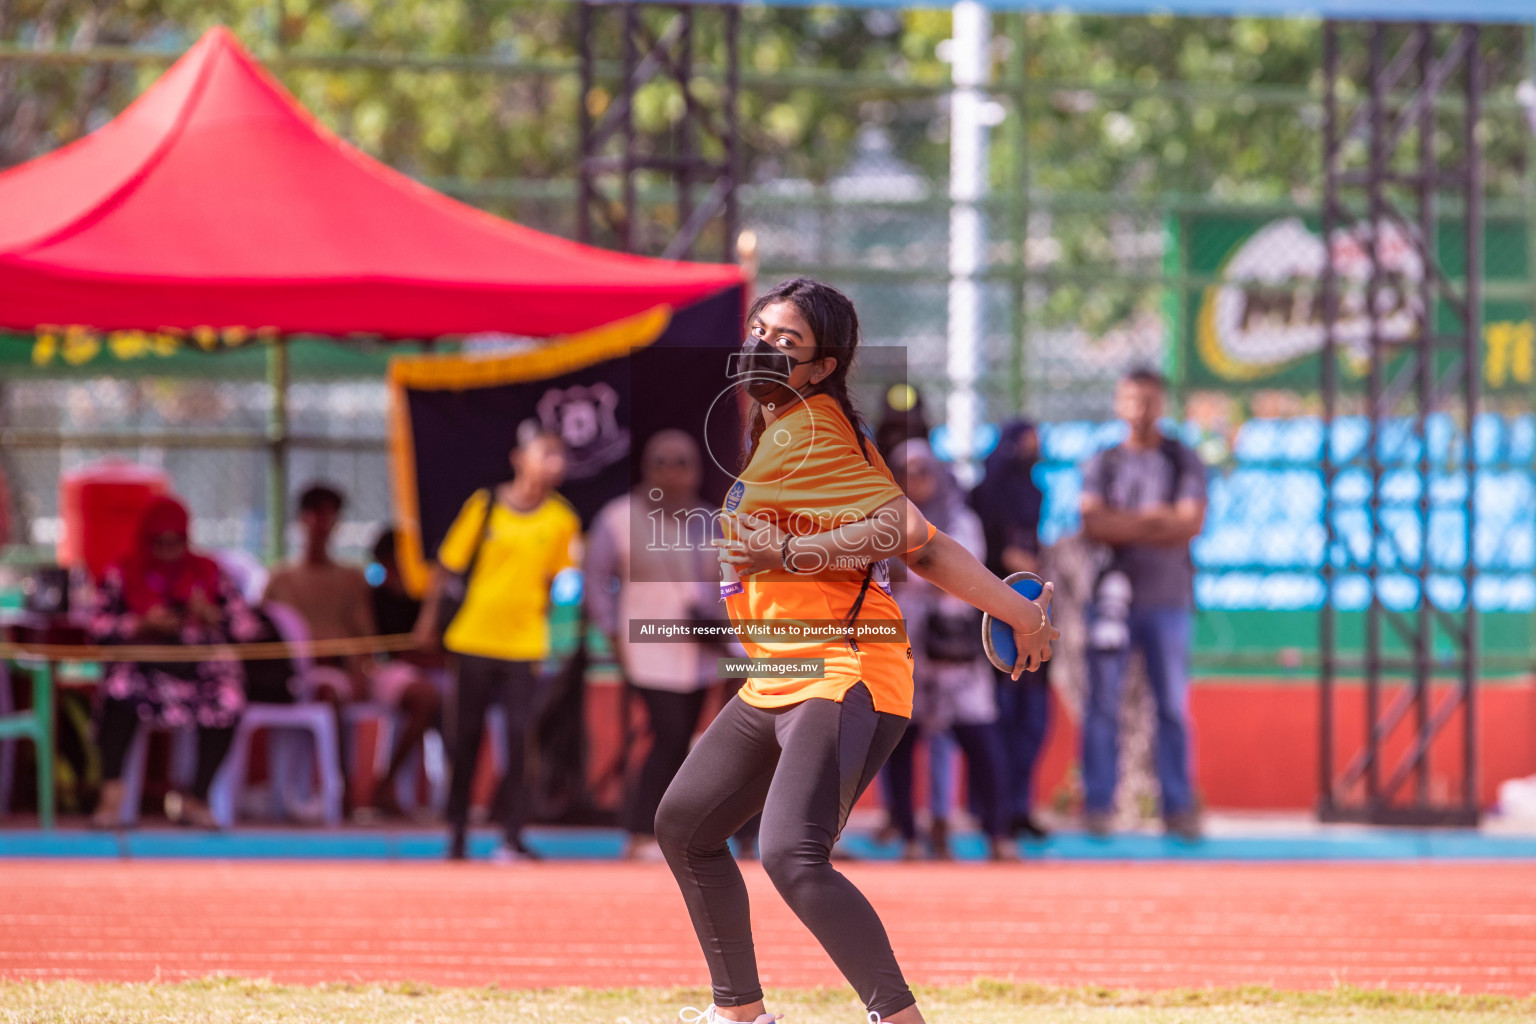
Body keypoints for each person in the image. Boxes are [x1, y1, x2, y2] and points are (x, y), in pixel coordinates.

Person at [656, 277, 1058, 1024]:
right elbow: (917, 544)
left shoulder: (812, 428)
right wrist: (1017, 609)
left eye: (787, 342)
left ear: (821, 366)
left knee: (790, 856)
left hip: (839, 671)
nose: (763, 348)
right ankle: (739, 1013)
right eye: (760, 331)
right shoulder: (791, 428)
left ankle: (898, 1019)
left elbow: (911, 539)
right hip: (781, 673)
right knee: (686, 826)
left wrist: (1015, 610)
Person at [412, 427, 581, 862]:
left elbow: (563, 585)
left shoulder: (562, 520)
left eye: (559, 456)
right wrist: (428, 623)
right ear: (518, 458)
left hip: (525, 645)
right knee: (464, 738)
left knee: (521, 739)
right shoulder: (485, 505)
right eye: (546, 453)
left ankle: (512, 834)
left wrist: (562, 635)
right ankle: (457, 833)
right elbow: (448, 566)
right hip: (472, 639)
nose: (555, 462)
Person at [1079, 367, 1207, 841]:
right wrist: (1157, 520)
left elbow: (1190, 523)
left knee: (1171, 707)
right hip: (1111, 602)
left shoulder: (1182, 460)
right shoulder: (1103, 461)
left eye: (1150, 400)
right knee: (1102, 706)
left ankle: (1177, 807)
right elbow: (1093, 524)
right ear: (1118, 404)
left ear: (1163, 404)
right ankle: (1098, 805)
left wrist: (1124, 522)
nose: (1141, 410)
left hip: (1168, 601)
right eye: (1132, 400)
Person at [585, 431, 726, 861]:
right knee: (667, 736)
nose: (671, 471)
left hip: (700, 652)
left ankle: (665, 831)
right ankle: (640, 830)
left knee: (683, 738)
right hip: (645, 648)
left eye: (681, 463)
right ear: (646, 468)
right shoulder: (617, 517)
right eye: (662, 462)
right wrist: (611, 632)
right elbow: (595, 580)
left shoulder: (711, 520)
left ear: (696, 471)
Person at [263, 484, 442, 817]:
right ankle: (340, 793)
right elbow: (267, 638)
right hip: (309, 674)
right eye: (315, 513)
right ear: (302, 520)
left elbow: (367, 636)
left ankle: (383, 788)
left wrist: (360, 667)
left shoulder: (351, 578)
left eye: (329, 514)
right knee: (329, 693)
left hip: (359, 669)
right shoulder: (279, 579)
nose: (322, 522)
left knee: (425, 696)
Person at [90, 496, 261, 830]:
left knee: (227, 695)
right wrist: (141, 625)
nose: (168, 550)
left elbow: (249, 628)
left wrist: (211, 616)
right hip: (143, 671)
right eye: (160, 543)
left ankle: (197, 799)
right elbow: (95, 628)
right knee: (117, 688)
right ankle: (110, 798)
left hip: (197, 674)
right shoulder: (121, 572)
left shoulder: (209, 572)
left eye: (176, 542)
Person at [882, 438, 1014, 861]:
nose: (915, 481)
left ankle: (998, 834)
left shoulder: (961, 519)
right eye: (905, 472)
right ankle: (909, 835)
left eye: (923, 471)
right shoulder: (882, 520)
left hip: (955, 646)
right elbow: (890, 572)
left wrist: (925, 570)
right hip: (904, 646)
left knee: (980, 738)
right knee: (900, 740)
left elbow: (962, 572)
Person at [969, 418, 1053, 840]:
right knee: (997, 722)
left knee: (1033, 721)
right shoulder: (984, 496)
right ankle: (993, 810)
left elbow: (1033, 550)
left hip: (1033, 611)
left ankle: (1019, 806)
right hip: (993, 620)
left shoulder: (1036, 494)